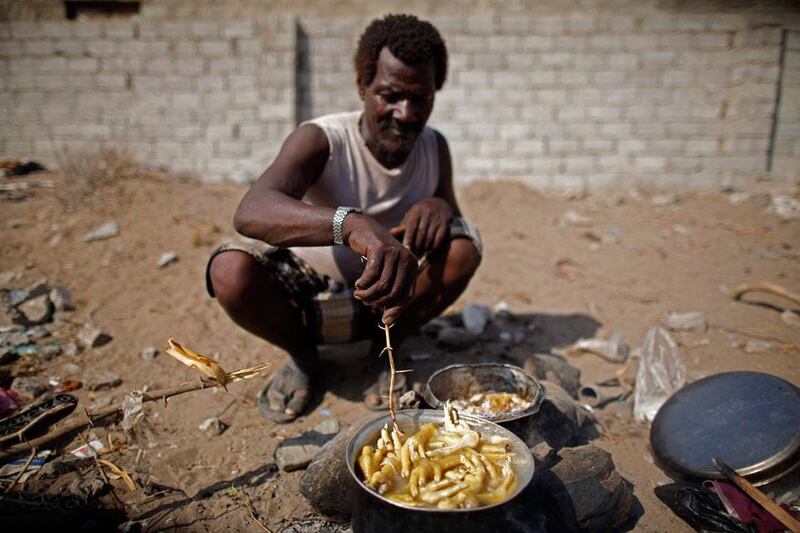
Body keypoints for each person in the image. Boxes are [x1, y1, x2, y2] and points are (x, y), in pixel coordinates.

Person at [206, 14, 482, 422]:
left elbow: (451, 218)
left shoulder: (434, 147)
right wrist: (351, 224)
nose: (405, 114)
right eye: (390, 95)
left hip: (385, 303)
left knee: (464, 248)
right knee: (229, 271)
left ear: (434, 94)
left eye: (420, 99)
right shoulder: (322, 139)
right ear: (362, 87)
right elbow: (251, 211)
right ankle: (304, 359)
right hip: (308, 298)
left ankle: (382, 353)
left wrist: (440, 207)